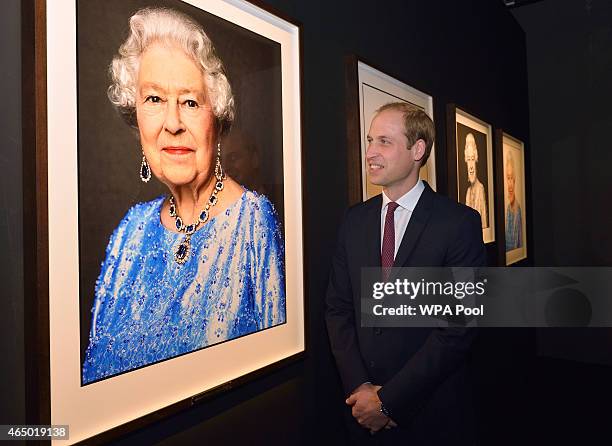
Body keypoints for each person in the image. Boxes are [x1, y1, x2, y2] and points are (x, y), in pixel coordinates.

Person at [82, 7, 286, 384]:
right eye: (154, 99)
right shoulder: (129, 231)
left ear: (216, 117)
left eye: (190, 102)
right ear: (136, 114)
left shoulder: (253, 224)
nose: (172, 123)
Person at [326, 102, 485, 444]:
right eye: (370, 140)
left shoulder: (458, 224)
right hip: (360, 414)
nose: (370, 152)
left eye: (384, 141)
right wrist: (361, 389)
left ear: (417, 149)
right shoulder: (354, 221)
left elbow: (459, 328)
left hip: (429, 414)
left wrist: (389, 401)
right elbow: (338, 310)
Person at [464, 133, 488, 228]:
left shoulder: (480, 188)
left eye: (472, 159)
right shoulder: (468, 192)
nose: (471, 167)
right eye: (468, 159)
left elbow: (484, 224)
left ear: (476, 160)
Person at [505, 151, 523, 250]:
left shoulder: (518, 209)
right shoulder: (508, 209)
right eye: (508, 178)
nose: (510, 184)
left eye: (512, 178)